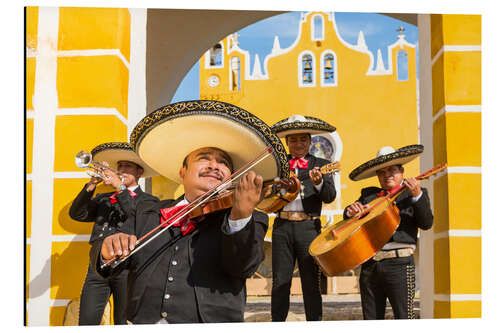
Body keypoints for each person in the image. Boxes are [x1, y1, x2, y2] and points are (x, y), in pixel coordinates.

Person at [88, 101, 289, 324]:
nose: (214, 166)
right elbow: (109, 265)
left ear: (232, 178)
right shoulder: (147, 211)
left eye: (223, 163)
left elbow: (243, 267)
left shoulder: (251, 216)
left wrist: (240, 217)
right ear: (182, 172)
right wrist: (106, 249)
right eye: (204, 158)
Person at [69, 142, 159, 325]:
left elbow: (138, 218)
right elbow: (77, 214)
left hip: (127, 267)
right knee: (87, 321)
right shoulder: (104, 198)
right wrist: (91, 185)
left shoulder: (149, 200)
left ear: (139, 173)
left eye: (128, 167)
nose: (121, 170)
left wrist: (121, 188)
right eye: (120, 166)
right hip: (98, 267)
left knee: (123, 321)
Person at [344, 145, 434, 319]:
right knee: (371, 318)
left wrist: (416, 196)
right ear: (377, 176)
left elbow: (426, 223)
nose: (387, 175)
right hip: (370, 265)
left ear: (402, 171)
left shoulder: (416, 194)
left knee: (404, 317)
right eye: (382, 172)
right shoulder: (368, 195)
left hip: (400, 264)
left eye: (392, 170)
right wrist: (350, 211)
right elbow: (348, 216)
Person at [270, 115, 337, 321]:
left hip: (309, 227)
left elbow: (330, 196)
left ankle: (314, 323)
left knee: (311, 282)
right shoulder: (277, 165)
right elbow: (267, 195)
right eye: (293, 140)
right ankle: (277, 323)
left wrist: (318, 184)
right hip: (282, 226)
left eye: (302, 140)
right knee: (280, 281)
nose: (298, 144)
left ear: (310, 141)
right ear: (287, 143)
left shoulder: (323, 164)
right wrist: (278, 187)